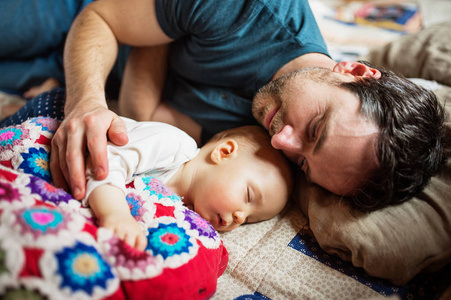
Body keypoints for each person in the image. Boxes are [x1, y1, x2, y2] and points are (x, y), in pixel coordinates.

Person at [4, 0, 447, 212]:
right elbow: (101, 18)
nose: (282, 141)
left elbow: (147, 118)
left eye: (305, 165)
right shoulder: (250, 10)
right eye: (315, 129)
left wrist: (158, 42)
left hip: (79, 68)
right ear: (353, 70)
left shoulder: (272, 151)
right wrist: (85, 102)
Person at [84, 120, 293, 251]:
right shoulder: (173, 145)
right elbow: (105, 161)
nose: (239, 217)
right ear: (224, 152)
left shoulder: (182, 212)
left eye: (249, 219)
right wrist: (114, 214)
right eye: (248, 196)